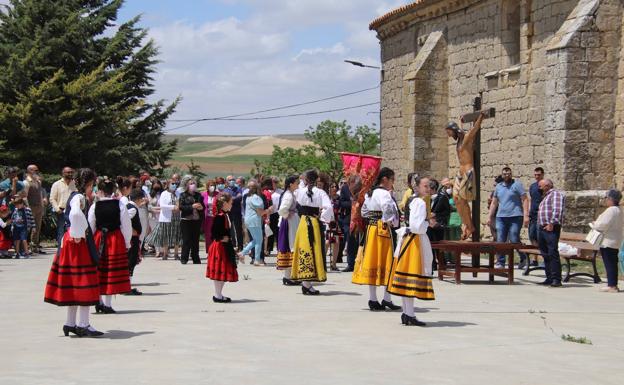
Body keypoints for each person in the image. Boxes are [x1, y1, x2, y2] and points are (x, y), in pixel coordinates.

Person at [44, 168, 103, 337]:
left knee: (74, 284)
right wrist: (78, 234)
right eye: (93, 185)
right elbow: (76, 214)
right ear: (89, 183)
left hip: (69, 242)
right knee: (84, 282)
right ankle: (83, 325)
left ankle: (70, 323)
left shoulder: (74, 195)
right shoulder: (79, 197)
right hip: (77, 244)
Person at [353, 167, 402, 311]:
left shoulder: (370, 193)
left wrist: (374, 218)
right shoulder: (384, 194)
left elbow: (363, 211)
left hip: (371, 230)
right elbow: (388, 210)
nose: (393, 183)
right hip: (383, 231)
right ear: (385, 179)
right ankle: (386, 298)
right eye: (392, 180)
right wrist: (390, 221)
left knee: (372, 261)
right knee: (388, 262)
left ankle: (373, 299)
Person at [389, 175, 435, 326]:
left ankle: (407, 313)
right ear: (417, 187)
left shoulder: (413, 200)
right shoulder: (420, 203)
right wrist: (428, 223)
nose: (428, 189)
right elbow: (416, 226)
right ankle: (409, 314)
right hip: (414, 241)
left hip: (409, 239)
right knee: (411, 278)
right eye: (425, 186)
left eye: (429, 186)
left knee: (406, 280)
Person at [88, 177, 132, 314]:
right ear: (113, 191)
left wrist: (90, 242)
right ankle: (107, 304)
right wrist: (127, 242)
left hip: (99, 238)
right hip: (114, 240)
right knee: (110, 270)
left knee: (99, 269)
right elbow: (126, 226)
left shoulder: (95, 206)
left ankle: (99, 301)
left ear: (100, 191)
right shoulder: (120, 205)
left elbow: (90, 226)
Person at [290, 170, 333, 295]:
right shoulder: (320, 193)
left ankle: (305, 283)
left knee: (304, 249)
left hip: (303, 222)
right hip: (313, 222)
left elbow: (296, 205)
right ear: (316, 179)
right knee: (313, 249)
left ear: (306, 180)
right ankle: (307, 284)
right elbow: (328, 207)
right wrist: (321, 217)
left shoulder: (299, 192)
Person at [445, 112, 485, 239]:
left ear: (453, 130)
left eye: (449, 132)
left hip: (468, 171)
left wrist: (480, 117)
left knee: (462, 199)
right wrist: (461, 119)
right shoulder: (459, 141)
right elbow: (461, 127)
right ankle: (467, 225)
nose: (448, 134)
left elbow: (474, 130)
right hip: (460, 172)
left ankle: (469, 226)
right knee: (456, 199)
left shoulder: (467, 139)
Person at [487, 167, 529, 268]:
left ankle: (523, 257)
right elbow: (494, 202)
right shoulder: (499, 187)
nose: (507, 175)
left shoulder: (517, 185)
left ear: (511, 174)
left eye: (509, 173)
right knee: (500, 239)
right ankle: (500, 262)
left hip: (515, 216)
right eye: (505, 174)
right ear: (502, 175)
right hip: (501, 217)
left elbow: (525, 199)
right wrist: (489, 216)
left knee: (514, 238)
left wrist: (526, 215)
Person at [206, 193, 241, 302]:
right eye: (230, 203)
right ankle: (217, 295)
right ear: (225, 203)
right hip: (219, 247)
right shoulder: (220, 216)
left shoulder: (225, 215)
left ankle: (219, 294)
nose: (232, 204)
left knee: (222, 271)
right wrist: (221, 238)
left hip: (224, 246)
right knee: (219, 270)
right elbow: (213, 232)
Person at [590, 189, 623, 293]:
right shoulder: (619, 209)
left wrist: (594, 224)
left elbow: (603, 225)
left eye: (606, 198)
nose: (605, 201)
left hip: (608, 241)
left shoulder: (611, 210)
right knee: (612, 263)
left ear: (610, 199)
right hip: (614, 240)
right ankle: (613, 284)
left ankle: (612, 285)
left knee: (610, 263)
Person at [536, 179, 565, 287]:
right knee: (545, 254)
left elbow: (557, 209)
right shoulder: (546, 196)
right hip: (542, 227)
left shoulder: (555, 194)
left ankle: (556, 279)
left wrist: (552, 223)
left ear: (547, 185)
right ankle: (549, 277)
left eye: (540, 186)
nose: (539, 188)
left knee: (552, 253)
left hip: (550, 228)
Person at [276, 175, 301, 286]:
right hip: (290, 223)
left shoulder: (290, 194)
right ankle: (288, 276)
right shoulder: (288, 195)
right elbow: (281, 210)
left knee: (291, 246)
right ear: (291, 184)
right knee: (291, 245)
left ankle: (289, 276)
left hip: (291, 222)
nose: (298, 184)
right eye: (296, 183)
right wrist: (288, 214)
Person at [240, 181, 269, 266]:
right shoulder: (256, 198)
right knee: (259, 240)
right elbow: (260, 212)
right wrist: (268, 211)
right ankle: (256, 259)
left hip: (248, 220)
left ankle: (243, 253)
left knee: (256, 240)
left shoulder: (248, 197)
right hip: (254, 220)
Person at [179, 178, 205, 265]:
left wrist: (201, 208)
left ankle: (196, 258)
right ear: (187, 185)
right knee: (186, 240)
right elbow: (181, 207)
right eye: (191, 183)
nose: (193, 185)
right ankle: (184, 258)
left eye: (194, 183)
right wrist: (192, 206)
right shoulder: (183, 195)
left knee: (195, 240)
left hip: (196, 220)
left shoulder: (198, 195)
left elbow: (203, 206)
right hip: (186, 220)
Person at [50, 167, 77, 246]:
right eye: (68, 172)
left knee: (72, 231)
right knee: (61, 231)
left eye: (71, 172)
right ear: (63, 173)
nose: (70, 174)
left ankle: (70, 248)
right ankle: (60, 251)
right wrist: (57, 209)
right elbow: (52, 198)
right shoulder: (57, 184)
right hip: (61, 211)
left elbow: (75, 196)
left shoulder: (73, 184)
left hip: (73, 211)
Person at [23, 165, 47, 254]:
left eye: (37, 170)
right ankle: (26, 247)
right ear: (29, 171)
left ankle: (35, 247)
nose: (37, 172)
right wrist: (28, 207)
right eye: (35, 170)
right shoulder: (26, 182)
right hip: (31, 207)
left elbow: (40, 193)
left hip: (39, 207)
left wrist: (43, 202)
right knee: (29, 228)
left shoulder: (38, 181)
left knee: (37, 227)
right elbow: (24, 196)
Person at [125, 188, 145, 295]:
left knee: (131, 261)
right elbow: (124, 220)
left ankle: (127, 285)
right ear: (138, 199)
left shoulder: (130, 206)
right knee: (131, 261)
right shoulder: (132, 209)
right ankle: (127, 287)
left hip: (133, 238)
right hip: (133, 238)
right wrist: (130, 230)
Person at [527, 167, 545, 267]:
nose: (537, 176)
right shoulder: (532, 186)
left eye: (539, 175)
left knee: (541, 238)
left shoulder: (545, 186)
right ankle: (535, 259)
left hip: (541, 216)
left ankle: (543, 259)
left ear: (542, 174)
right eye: (535, 175)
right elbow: (531, 199)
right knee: (532, 236)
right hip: (533, 215)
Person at [338, 178, 355, 272]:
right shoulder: (345, 188)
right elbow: (342, 202)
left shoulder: (362, 186)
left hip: (360, 217)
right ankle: (351, 263)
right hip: (349, 218)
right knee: (350, 239)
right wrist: (352, 203)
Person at [327, 181, 343, 271]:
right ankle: (322, 263)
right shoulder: (326, 197)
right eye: (332, 186)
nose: (334, 188)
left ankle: (333, 264)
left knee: (336, 243)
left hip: (336, 222)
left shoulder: (339, 198)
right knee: (326, 242)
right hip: (327, 222)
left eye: (335, 186)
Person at [224, 176, 244, 250]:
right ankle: (233, 245)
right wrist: (233, 198)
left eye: (233, 179)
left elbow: (240, 196)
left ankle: (240, 246)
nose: (232, 181)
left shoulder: (238, 189)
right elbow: (224, 200)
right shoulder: (225, 190)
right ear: (227, 181)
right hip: (229, 213)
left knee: (238, 229)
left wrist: (231, 199)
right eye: (230, 180)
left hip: (237, 212)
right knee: (230, 229)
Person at [201, 179, 217, 251]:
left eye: (213, 185)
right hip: (207, 218)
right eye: (211, 185)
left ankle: (216, 251)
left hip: (216, 218)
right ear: (207, 186)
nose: (212, 187)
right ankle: (209, 251)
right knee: (208, 236)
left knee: (216, 235)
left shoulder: (218, 194)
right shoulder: (203, 194)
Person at [487, 175, 504, 241]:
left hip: (501, 217)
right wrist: (489, 202)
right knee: (495, 235)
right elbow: (490, 206)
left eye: (497, 183)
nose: (495, 184)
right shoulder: (494, 193)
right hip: (494, 216)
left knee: (500, 236)